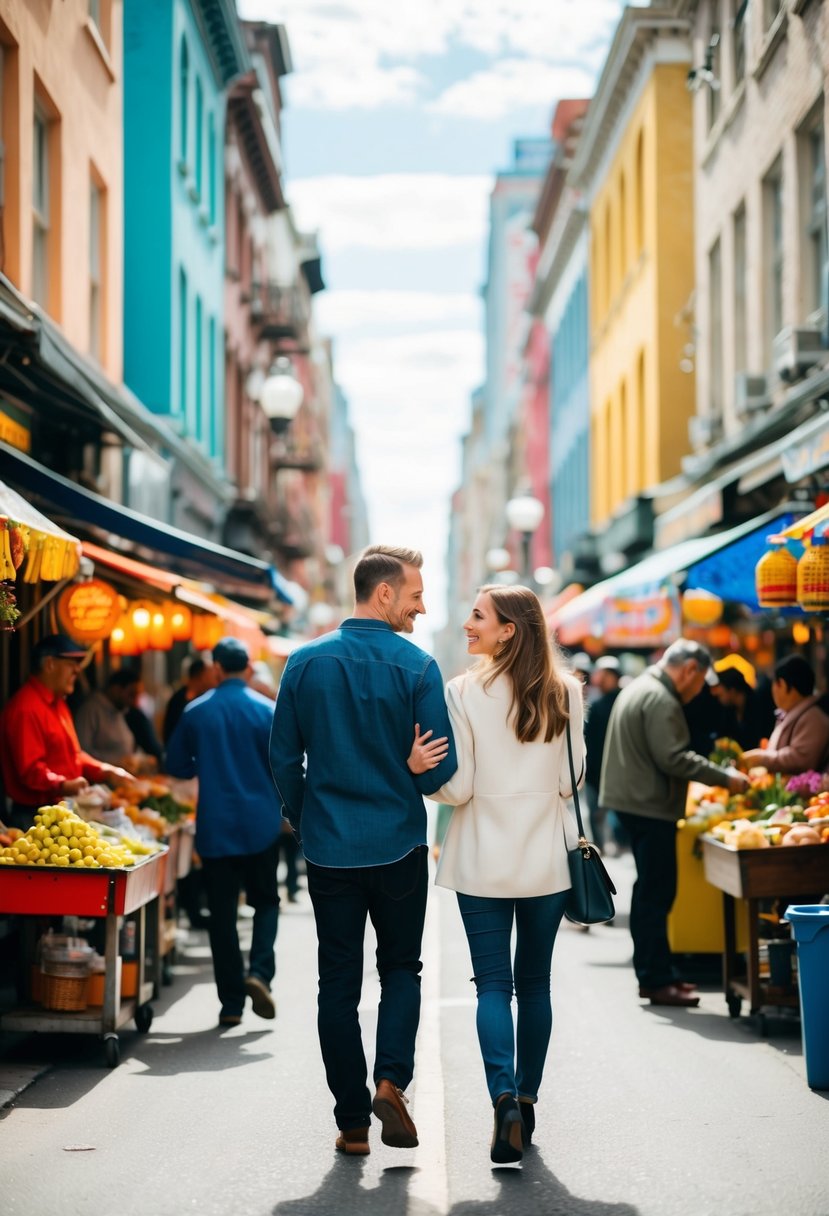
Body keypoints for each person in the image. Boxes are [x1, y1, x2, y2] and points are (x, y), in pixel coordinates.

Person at [269, 544, 457, 1158]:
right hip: (399, 845)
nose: (421, 607)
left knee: (337, 982)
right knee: (402, 969)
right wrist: (408, 771)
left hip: (329, 849)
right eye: (414, 595)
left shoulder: (303, 662)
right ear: (383, 594)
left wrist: (306, 818)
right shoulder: (418, 667)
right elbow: (437, 775)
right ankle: (390, 1081)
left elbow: (281, 759)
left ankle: (352, 1120)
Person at [408, 584, 583, 1165]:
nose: (467, 624)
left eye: (478, 616)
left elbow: (455, 787)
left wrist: (421, 772)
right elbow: (571, 781)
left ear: (509, 628)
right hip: (546, 862)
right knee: (535, 985)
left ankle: (502, 1098)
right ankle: (527, 1101)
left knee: (493, 987)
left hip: (481, 859)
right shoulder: (566, 692)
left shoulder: (463, 691)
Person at [599, 639, 750, 1008]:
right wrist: (725, 777)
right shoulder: (661, 699)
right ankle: (654, 978)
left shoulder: (642, 686)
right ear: (690, 671)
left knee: (652, 890)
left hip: (636, 803)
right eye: (701, 684)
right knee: (656, 893)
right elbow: (674, 758)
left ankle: (658, 973)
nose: (700, 692)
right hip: (649, 807)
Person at [165, 637, 281, 1028]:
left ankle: (231, 1002)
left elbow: (177, 765)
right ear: (248, 668)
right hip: (261, 825)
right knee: (266, 902)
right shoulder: (268, 711)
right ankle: (260, 973)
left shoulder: (196, 712)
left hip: (215, 827)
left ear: (216, 668)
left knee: (222, 915)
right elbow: (285, 765)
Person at [0, 635, 133, 830]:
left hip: (63, 811)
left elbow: (74, 756)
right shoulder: (25, 708)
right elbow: (31, 771)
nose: (78, 670)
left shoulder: (59, 704)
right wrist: (64, 784)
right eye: (72, 663)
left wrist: (106, 770)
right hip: (34, 817)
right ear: (50, 664)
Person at [741, 654, 829, 773]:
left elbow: (800, 760)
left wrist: (761, 758)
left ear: (781, 684)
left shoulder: (813, 717)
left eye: (775, 684)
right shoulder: (794, 712)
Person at [584, 656, 622, 851]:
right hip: (595, 770)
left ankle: (613, 844)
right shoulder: (596, 703)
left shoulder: (622, 701)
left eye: (607, 675)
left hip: (617, 770)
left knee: (611, 812)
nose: (602, 679)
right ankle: (601, 847)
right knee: (596, 813)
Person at [75, 669, 139, 767]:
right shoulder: (90, 710)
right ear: (116, 689)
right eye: (131, 694)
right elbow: (82, 752)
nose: (135, 702)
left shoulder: (119, 711)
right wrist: (114, 763)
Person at [710, 660, 775, 751]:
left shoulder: (760, 706)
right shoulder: (729, 710)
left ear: (731, 690)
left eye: (721, 694)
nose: (717, 696)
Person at [162, 656, 216, 745]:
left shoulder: (205, 699)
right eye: (210, 674)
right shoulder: (177, 700)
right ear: (201, 675)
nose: (214, 679)